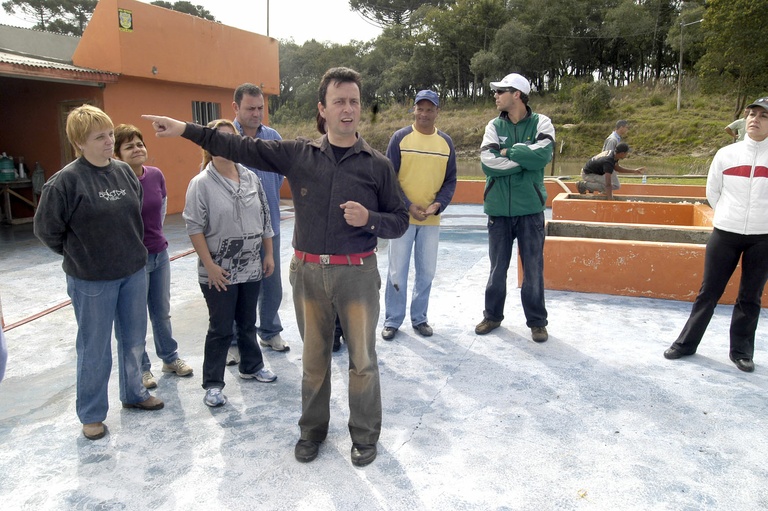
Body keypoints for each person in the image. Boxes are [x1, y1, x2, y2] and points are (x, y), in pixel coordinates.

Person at [143, 66, 409, 467]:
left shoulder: (376, 165)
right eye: (339, 101)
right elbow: (238, 148)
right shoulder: (299, 154)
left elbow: (401, 218)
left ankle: (365, 436)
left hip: (356, 273)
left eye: (354, 101)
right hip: (308, 274)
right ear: (323, 108)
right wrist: (185, 128)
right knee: (314, 361)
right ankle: (312, 432)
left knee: (363, 362)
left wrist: (370, 218)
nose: (348, 109)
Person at [34, 105, 163, 441]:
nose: (109, 141)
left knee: (134, 340)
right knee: (94, 347)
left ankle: (134, 393)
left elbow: (134, 216)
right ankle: (92, 414)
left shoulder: (123, 172)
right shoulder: (65, 182)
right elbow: (46, 230)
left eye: (109, 134)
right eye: (100, 137)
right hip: (91, 280)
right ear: (80, 143)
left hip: (133, 272)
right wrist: (80, 256)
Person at [664, 97, 768, 373]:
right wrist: (729, 217)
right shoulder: (726, 154)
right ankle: (685, 344)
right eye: (752, 114)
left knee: (750, 296)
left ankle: (742, 352)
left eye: (763, 116)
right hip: (725, 233)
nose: (755, 119)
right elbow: (714, 193)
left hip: (763, 238)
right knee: (708, 292)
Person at [183, 119, 277, 407]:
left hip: (251, 266)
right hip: (219, 271)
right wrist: (209, 265)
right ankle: (213, 383)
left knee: (248, 322)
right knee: (221, 327)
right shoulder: (200, 184)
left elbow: (265, 219)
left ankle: (251, 366)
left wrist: (269, 254)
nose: (224, 146)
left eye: (229, 139)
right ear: (208, 146)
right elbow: (194, 227)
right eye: (217, 140)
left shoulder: (251, 178)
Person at [474, 73, 554, 343]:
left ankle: (537, 322)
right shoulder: (494, 125)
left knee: (533, 269)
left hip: (530, 210)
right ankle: (492, 316)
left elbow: (543, 155)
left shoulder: (542, 122)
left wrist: (508, 151)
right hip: (498, 211)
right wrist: (524, 157)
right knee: (497, 269)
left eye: (501, 91)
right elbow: (487, 161)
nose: (495, 96)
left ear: (517, 94)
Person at [113, 124, 194, 389]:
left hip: (160, 255)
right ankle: (142, 369)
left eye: (139, 144)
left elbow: (161, 208)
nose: (137, 149)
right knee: (134, 318)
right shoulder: (116, 181)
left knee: (161, 312)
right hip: (133, 261)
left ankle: (170, 358)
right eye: (129, 146)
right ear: (117, 154)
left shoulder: (156, 175)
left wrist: (154, 237)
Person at [381, 90, 457, 341]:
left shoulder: (445, 143)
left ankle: (420, 318)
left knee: (426, 272)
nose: (424, 114)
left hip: (431, 221)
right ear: (413, 109)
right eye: (420, 108)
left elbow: (450, 181)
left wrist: (438, 204)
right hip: (402, 219)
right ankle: (392, 320)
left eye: (429, 109)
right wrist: (407, 205)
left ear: (437, 112)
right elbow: (388, 178)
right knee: (396, 272)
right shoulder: (400, 138)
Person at [232, 83, 290, 355]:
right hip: (236, 231)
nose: (256, 114)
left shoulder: (273, 137)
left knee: (271, 282)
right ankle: (234, 340)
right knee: (238, 287)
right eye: (250, 108)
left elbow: (278, 177)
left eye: (260, 108)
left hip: (270, 229)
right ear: (236, 108)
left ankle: (269, 331)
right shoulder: (226, 136)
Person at [576, 143, 645, 200]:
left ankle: (599, 190)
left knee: (616, 185)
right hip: (588, 174)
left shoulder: (614, 155)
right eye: (626, 153)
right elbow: (608, 184)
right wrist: (610, 199)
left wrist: (634, 171)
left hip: (597, 171)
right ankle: (583, 185)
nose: (627, 155)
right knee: (611, 185)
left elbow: (617, 168)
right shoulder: (608, 161)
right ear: (622, 153)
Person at [602, 120, 630, 190]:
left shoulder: (617, 138)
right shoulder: (613, 140)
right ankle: (590, 187)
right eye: (626, 127)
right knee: (615, 185)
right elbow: (607, 155)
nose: (627, 129)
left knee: (611, 184)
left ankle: (603, 194)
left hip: (610, 165)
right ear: (621, 127)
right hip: (607, 165)